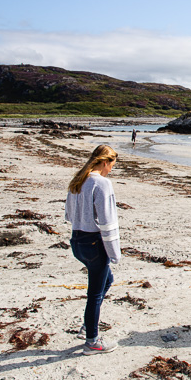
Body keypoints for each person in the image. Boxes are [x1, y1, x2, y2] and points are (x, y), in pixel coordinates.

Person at [65, 145, 121, 354]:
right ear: (105, 162)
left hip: (77, 240)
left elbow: (69, 215)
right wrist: (114, 252)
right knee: (95, 294)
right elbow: (107, 221)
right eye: (112, 165)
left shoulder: (78, 181)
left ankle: (89, 325)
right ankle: (92, 341)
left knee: (107, 281)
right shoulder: (102, 183)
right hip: (94, 243)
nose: (111, 169)